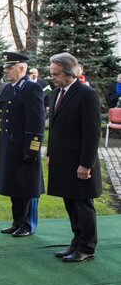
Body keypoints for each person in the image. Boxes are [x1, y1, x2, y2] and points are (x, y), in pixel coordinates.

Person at [47, 52, 102, 262]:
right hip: (62, 160)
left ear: (70, 73)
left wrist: (86, 164)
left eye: (57, 74)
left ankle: (87, 247)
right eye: (52, 73)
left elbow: (92, 133)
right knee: (70, 202)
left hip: (79, 162)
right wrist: (51, 153)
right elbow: (55, 129)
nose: (52, 77)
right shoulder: (56, 94)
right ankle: (76, 242)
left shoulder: (86, 94)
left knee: (82, 205)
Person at [0, 52, 45, 238]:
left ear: (21, 68)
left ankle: (26, 224)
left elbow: (37, 122)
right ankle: (17, 222)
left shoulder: (31, 88)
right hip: (9, 146)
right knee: (13, 185)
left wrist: (32, 149)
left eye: (10, 68)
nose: (7, 71)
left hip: (23, 146)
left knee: (24, 186)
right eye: (6, 68)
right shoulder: (9, 88)